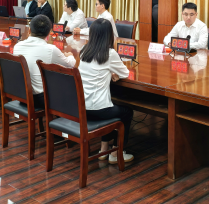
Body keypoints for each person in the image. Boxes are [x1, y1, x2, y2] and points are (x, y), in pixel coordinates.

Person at [79, 18, 133, 164]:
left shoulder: (84, 50)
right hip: (99, 110)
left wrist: (109, 73)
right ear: (109, 35)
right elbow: (125, 73)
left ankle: (103, 150)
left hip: (81, 108)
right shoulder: (110, 53)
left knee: (109, 102)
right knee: (127, 112)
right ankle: (116, 153)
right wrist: (113, 73)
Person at [13, 15, 76, 108]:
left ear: (29, 30)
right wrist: (70, 56)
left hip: (21, 95)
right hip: (42, 99)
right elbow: (71, 65)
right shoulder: (51, 49)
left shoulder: (17, 46)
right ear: (49, 33)